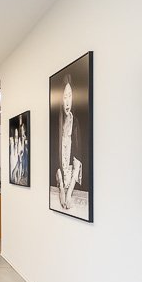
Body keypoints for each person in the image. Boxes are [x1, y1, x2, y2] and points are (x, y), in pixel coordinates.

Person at [55, 74, 82, 209]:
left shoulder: (75, 122)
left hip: (71, 176)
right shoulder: (57, 124)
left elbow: (78, 159)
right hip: (62, 178)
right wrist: (61, 188)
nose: (67, 101)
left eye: (69, 96)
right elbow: (55, 159)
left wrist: (69, 192)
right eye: (64, 97)